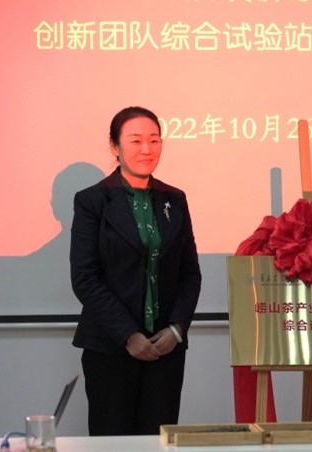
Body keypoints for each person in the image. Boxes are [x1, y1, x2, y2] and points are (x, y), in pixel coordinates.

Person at [70, 106, 202, 435]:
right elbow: (85, 278)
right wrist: (129, 335)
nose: (146, 149)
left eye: (154, 140)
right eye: (135, 140)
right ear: (114, 146)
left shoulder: (175, 199)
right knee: (112, 440)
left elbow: (190, 273)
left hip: (165, 350)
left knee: (159, 440)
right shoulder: (92, 201)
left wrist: (176, 330)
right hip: (110, 348)